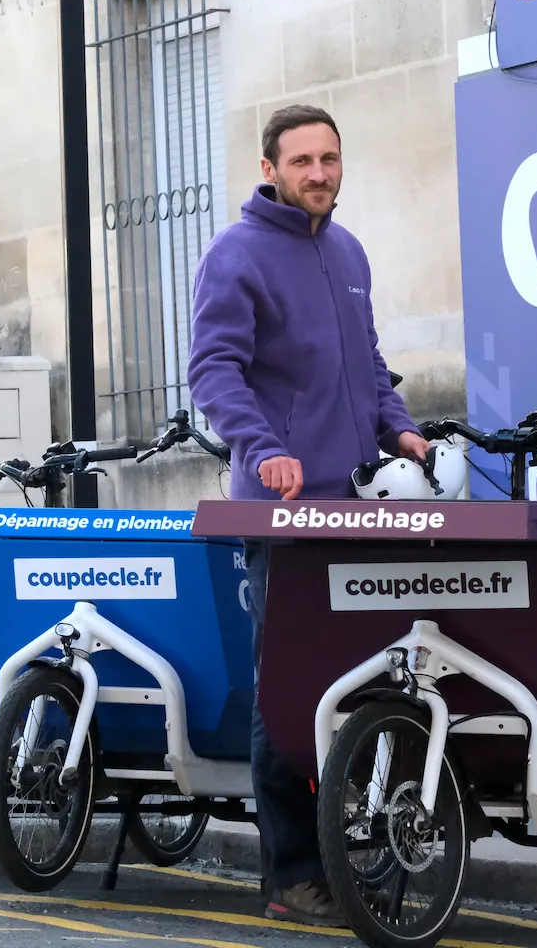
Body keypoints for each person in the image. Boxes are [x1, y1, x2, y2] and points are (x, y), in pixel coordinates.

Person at [186, 104, 430, 927]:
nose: (319, 173)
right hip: (283, 512)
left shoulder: (348, 251)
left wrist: (398, 426)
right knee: (287, 692)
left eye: (329, 158)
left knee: (366, 681)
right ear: (270, 170)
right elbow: (213, 370)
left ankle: (349, 851)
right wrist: (262, 448)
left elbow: (368, 367)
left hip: (359, 506)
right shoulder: (235, 253)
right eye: (302, 161)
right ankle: (290, 874)